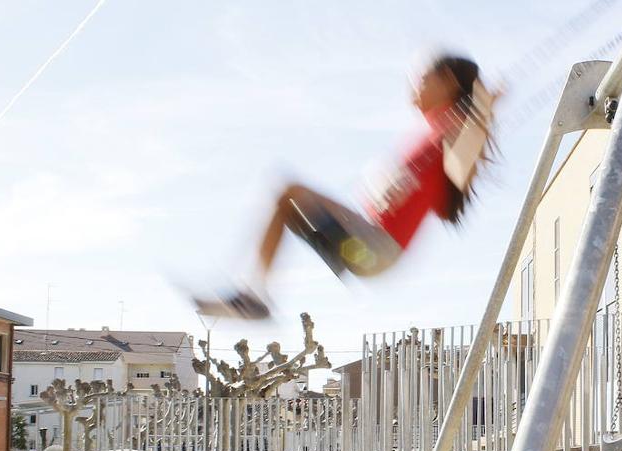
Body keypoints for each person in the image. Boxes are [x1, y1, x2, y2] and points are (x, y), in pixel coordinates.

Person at [195, 54, 496, 320]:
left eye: (422, 79)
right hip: (367, 236)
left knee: (289, 191)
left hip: (377, 249)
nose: (413, 85)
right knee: (287, 198)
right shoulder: (432, 129)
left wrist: (482, 113)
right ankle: (254, 295)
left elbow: (464, 166)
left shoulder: (456, 129)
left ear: (447, 82)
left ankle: (254, 296)